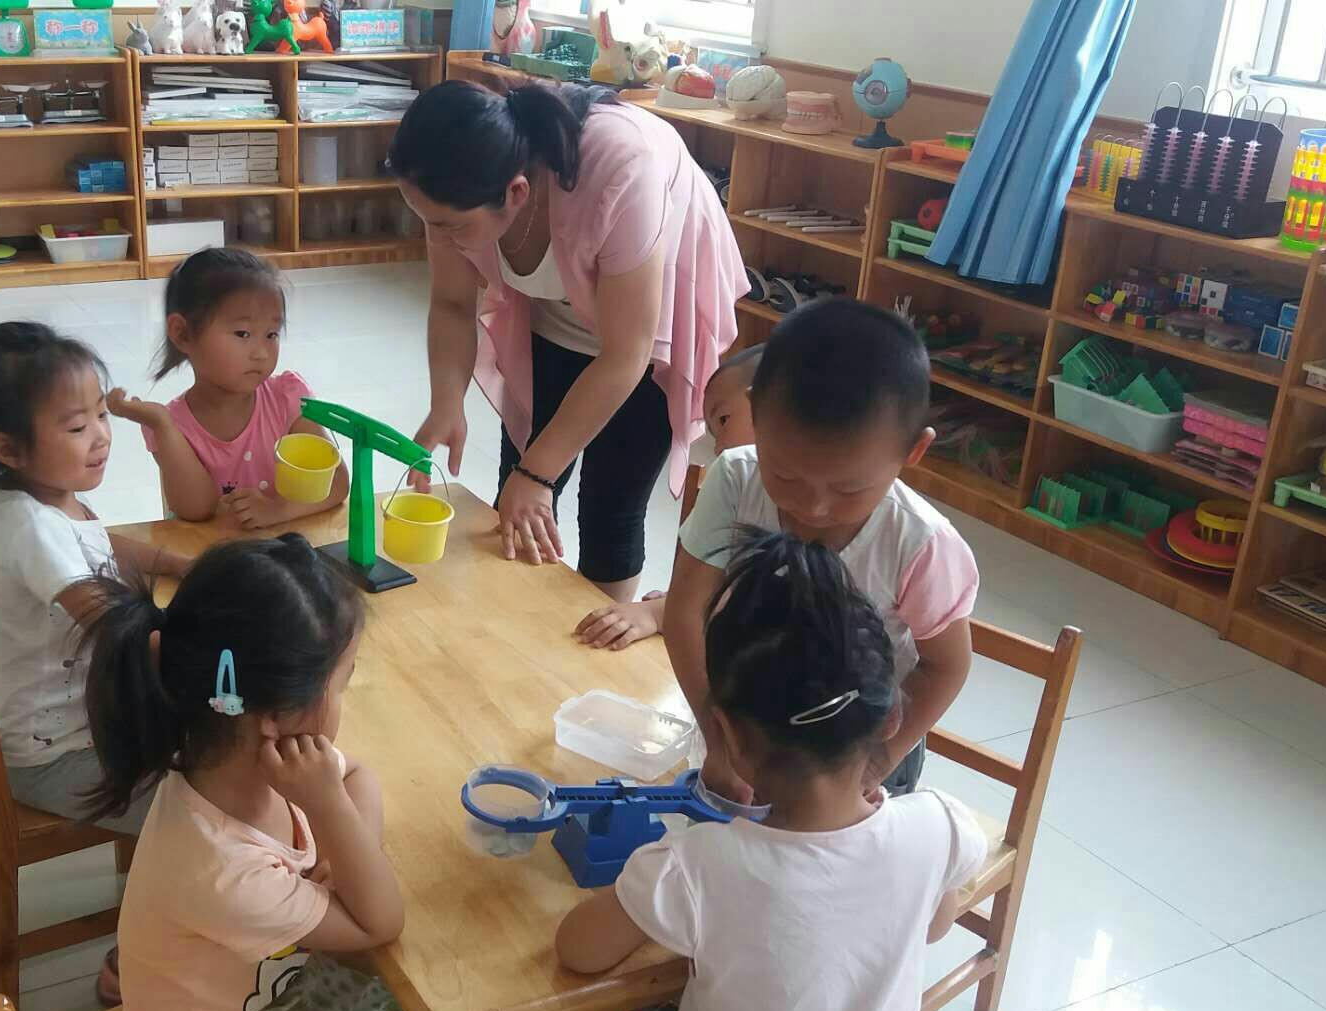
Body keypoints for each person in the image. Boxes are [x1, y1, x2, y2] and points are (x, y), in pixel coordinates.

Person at [556, 529, 988, 1011]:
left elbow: (578, 950)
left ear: (728, 736)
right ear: (891, 719)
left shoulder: (697, 865)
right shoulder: (939, 825)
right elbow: (935, 925)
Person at [0, 322, 191, 1006]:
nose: (102, 436)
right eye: (77, 426)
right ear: (8, 448)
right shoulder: (30, 529)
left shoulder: (49, 497)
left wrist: (178, 562)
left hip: (65, 723)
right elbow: (116, 626)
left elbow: (100, 543)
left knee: (215, 756)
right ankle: (133, 959)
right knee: (204, 816)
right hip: (52, 755)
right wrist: (203, 627)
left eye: (101, 415)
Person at [78, 534, 422, 1011]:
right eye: (343, 682)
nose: (344, 699)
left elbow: (360, 777)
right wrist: (336, 820)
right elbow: (381, 922)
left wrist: (341, 850)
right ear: (275, 716)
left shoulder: (248, 760)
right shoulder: (222, 870)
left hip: (276, 993)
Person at [388, 79, 746, 601]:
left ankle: (602, 635)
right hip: (559, 315)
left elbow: (627, 353)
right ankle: (516, 624)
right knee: (520, 490)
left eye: (449, 226)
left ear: (516, 192)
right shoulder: (455, 184)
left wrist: (539, 474)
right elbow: (451, 303)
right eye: (428, 221)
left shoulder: (622, 169)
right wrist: (447, 403)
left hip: (650, 327)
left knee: (610, 505)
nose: (437, 238)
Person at [667, 300, 979, 805]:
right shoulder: (736, 477)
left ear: (913, 452)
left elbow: (946, 666)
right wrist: (719, 734)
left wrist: (879, 761)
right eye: (785, 475)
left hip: (860, 745)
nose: (813, 507)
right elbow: (686, 608)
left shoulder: (920, 542)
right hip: (748, 722)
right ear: (756, 413)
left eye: (849, 488)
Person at [108, 247, 348, 529]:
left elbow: (336, 483)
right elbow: (195, 510)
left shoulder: (287, 398)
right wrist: (163, 425)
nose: (261, 353)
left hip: (284, 548)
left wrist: (276, 510)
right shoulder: (171, 425)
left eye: (271, 334)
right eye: (243, 334)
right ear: (182, 334)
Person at [573, 346, 760, 650]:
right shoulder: (732, 481)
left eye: (724, 420)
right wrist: (681, 603)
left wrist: (662, 611)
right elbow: (711, 587)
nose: (718, 447)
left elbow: (773, 602)